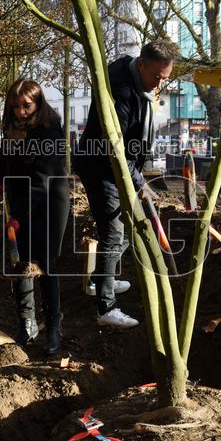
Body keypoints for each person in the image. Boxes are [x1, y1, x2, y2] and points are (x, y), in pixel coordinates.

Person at [74, 39, 178, 329]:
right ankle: (105, 308)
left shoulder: (137, 76)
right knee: (113, 230)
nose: (159, 84)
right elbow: (114, 148)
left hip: (122, 165)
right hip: (101, 166)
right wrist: (139, 182)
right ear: (141, 64)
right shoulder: (120, 91)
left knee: (127, 227)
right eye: (156, 76)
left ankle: (99, 279)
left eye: (165, 78)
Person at [0, 79, 70, 355]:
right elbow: (4, 158)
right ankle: (27, 323)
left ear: (38, 103)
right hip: (18, 200)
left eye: (26, 106)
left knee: (47, 263)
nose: (20, 112)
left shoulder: (51, 131)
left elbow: (42, 177)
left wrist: (22, 216)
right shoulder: (12, 129)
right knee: (20, 261)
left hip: (49, 202)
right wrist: (1, 181)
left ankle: (53, 327)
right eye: (15, 106)